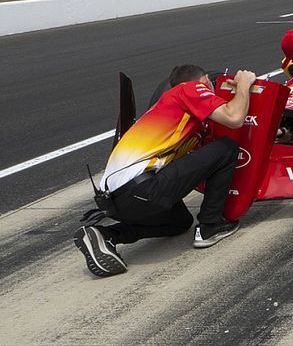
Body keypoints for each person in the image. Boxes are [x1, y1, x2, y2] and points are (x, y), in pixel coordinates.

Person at [74, 65, 257, 278]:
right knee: (227, 148)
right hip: (143, 189)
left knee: (180, 223)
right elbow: (234, 118)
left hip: (116, 202)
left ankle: (106, 234)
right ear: (205, 81)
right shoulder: (188, 89)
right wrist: (244, 84)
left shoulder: (166, 112)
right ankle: (210, 226)